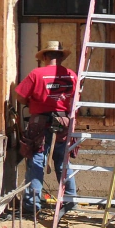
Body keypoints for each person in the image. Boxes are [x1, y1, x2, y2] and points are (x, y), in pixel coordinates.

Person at [15, 40, 78, 218]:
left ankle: (32, 205)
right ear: (61, 57)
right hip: (63, 120)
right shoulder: (71, 75)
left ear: (44, 57)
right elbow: (75, 100)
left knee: (36, 160)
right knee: (62, 160)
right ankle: (70, 199)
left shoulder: (37, 74)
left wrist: (32, 102)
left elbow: (19, 96)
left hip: (40, 122)